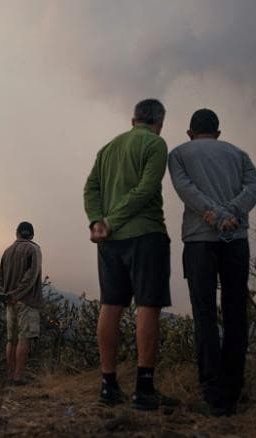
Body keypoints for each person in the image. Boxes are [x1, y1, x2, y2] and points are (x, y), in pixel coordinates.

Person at [83, 98, 178, 410]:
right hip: (145, 235)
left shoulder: (108, 148)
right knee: (147, 306)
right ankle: (144, 389)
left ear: (132, 119)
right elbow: (146, 190)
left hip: (110, 242)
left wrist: (98, 221)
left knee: (110, 305)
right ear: (159, 121)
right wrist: (109, 221)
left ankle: (108, 386)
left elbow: (91, 188)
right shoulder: (155, 144)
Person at [168, 108, 256, 416]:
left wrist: (213, 214)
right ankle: (235, 390)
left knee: (204, 313)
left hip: (199, 241)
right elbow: (255, 189)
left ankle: (213, 392)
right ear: (218, 132)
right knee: (236, 312)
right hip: (236, 239)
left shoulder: (179, 154)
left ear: (190, 133)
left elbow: (186, 191)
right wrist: (231, 212)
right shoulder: (239, 154)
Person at [0, 221, 43, 385]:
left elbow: (1, 276)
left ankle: (10, 376)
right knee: (24, 339)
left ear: (16, 233)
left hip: (10, 300)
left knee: (11, 339)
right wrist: (18, 294)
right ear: (32, 235)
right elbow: (31, 277)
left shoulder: (7, 251)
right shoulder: (33, 249)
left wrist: (8, 295)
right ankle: (18, 377)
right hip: (27, 300)